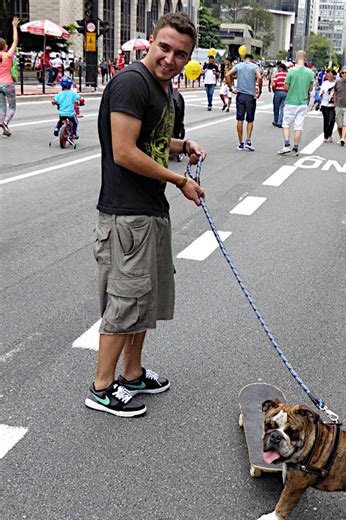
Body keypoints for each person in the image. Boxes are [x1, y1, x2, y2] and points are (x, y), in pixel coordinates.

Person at [86, 12, 206, 418]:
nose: (170, 58)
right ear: (150, 41)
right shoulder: (131, 84)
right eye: (165, 47)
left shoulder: (169, 93)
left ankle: (132, 373)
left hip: (151, 212)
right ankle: (102, 387)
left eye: (180, 54)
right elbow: (124, 150)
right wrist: (179, 180)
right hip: (126, 216)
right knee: (124, 302)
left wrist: (183, 145)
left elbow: (151, 141)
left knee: (144, 300)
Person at [277, 50, 314, 156]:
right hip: (302, 103)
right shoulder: (310, 72)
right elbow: (310, 89)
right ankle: (296, 148)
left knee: (286, 124)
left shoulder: (291, 71)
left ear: (296, 59)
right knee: (298, 126)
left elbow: (285, 86)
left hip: (290, 102)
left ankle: (286, 145)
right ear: (305, 58)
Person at [225, 53, 262, 151]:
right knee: (250, 120)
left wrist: (231, 88)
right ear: (252, 59)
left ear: (244, 59)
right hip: (250, 96)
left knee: (240, 119)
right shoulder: (255, 67)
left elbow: (227, 75)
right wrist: (260, 91)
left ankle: (240, 143)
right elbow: (260, 77)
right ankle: (248, 141)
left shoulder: (238, 66)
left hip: (240, 95)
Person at [0, 16, 19, 138]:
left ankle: (2, 122)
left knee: (1, 107)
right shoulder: (8, 55)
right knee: (12, 107)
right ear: (3, 46)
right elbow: (15, 41)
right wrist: (14, 26)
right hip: (8, 83)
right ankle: (5, 122)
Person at [320, 69, 336, 142]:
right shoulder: (324, 83)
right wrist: (322, 94)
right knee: (326, 121)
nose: (328, 76)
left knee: (332, 120)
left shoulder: (336, 84)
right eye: (327, 74)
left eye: (330, 74)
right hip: (324, 104)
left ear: (334, 75)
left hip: (333, 105)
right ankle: (326, 136)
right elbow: (320, 94)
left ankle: (330, 134)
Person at [271, 62, 287, 127]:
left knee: (276, 107)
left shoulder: (277, 75)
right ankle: (280, 122)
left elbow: (274, 84)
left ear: (280, 68)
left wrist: (273, 89)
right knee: (283, 108)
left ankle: (275, 121)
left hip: (277, 92)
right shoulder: (287, 75)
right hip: (285, 92)